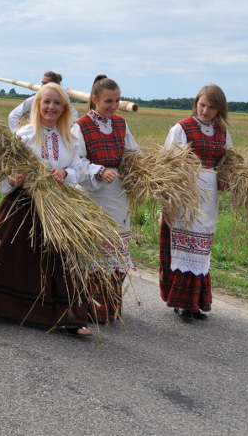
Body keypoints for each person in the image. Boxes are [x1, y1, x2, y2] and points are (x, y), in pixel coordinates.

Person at [0, 82, 92, 336]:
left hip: (59, 205)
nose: (51, 107)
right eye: (46, 102)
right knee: (7, 251)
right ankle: (6, 307)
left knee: (63, 258)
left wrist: (65, 172)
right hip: (24, 202)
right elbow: (5, 172)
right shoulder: (24, 135)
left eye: (56, 102)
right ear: (38, 105)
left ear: (64, 107)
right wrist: (12, 179)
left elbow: (79, 168)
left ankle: (71, 318)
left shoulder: (71, 138)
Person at [160, 84, 232, 322]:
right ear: (196, 103)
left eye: (211, 107)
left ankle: (196, 303)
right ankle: (181, 303)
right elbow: (167, 164)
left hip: (208, 195)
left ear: (219, 109)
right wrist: (169, 199)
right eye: (202, 104)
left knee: (201, 248)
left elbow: (228, 162)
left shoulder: (221, 131)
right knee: (184, 245)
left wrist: (224, 179)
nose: (205, 110)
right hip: (185, 194)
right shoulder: (182, 128)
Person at [72, 75, 138, 323]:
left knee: (116, 250)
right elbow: (76, 162)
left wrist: (142, 168)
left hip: (118, 194)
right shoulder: (82, 126)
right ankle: (89, 308)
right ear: (94, 100)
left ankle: (110, 308)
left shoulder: (121, 124)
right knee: (94, 253)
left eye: (117, 100)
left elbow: (131, 153)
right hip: (93, 195)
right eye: (108, 101)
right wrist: (99, 171)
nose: (113, 106)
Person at [8, 71, 79, 131]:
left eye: (45, 83)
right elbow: (13, 116)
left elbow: (74, 119)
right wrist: (17, 134)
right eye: (42, 83)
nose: (42, 86)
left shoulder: (64, 102)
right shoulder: (34, 100)